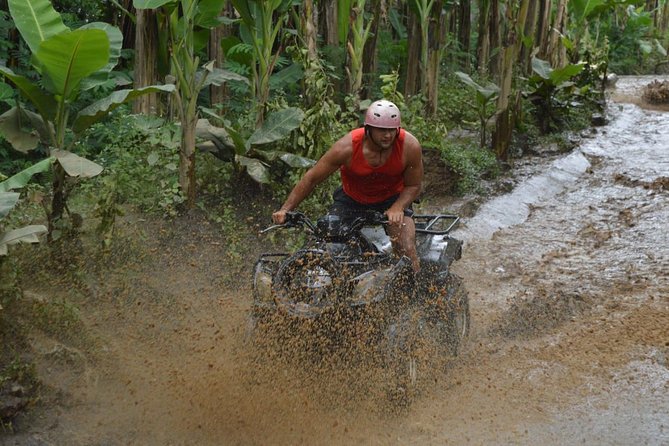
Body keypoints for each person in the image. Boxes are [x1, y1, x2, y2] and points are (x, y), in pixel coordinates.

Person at [272, 99, 423, 272]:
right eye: (381, 130)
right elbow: (311, 179)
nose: (387, 135)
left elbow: (413, 185)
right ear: (368, 128)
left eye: (391, 130)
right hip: (352, 199)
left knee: (406, 247)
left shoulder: (409, 146)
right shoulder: (346, 148)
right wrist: (285, 209)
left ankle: (413, 293)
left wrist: (398, 207)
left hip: (393, 198)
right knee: (324, 240)